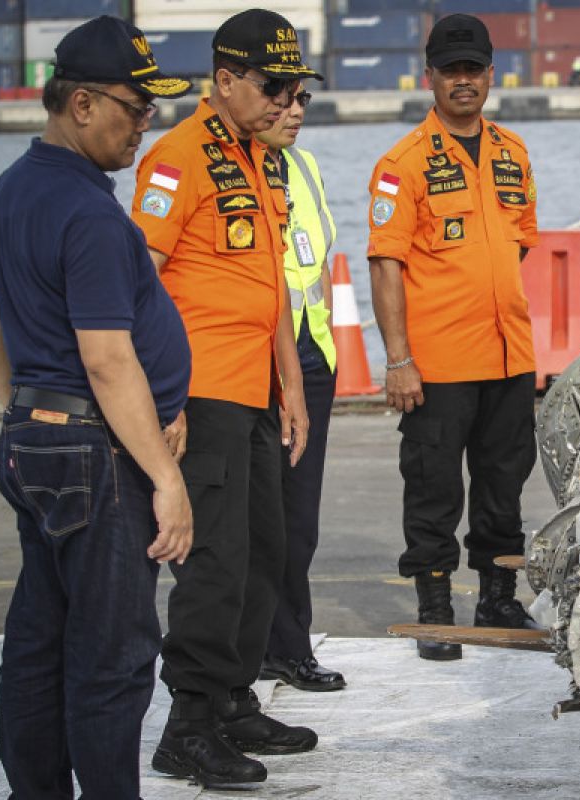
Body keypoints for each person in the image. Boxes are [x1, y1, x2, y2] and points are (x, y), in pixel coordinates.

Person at [0, 16, 193, 798]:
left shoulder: (12, 189)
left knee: (41, 636)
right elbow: (106, 358)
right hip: (97, 456)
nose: (146, 125)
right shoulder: (92, 213)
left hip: (39, 440)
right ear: (85, 104)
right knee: (114, 652)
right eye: (137, 108)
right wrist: (163, 476)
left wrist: (27, 411)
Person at [129, 9, 321, 787]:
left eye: (293, 87)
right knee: (215, 562)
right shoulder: (179, 157)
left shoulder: (260, 159)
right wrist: (160, 399)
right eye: (273, 86)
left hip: (254, 389)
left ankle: (236, 700)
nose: (285, 101)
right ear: (226, 80)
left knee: (263, 552)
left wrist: (293, 385)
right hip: (200, 391)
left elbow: (267, 281)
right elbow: (138, 281)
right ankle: (189, 723)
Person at [367, 13, 541, 662]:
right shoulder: (402, 165)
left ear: (491, 75)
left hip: (508, 355)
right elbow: (386, 265)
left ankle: (498, 596)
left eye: (473, 70)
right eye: (451, 71)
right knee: (434, 488)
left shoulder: (513, 153)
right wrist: (399, 360)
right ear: (430, 77)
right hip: (436, 364)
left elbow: (519, 244)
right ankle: (435, 608)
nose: (463, 81)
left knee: (503, 487)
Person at [255, 87, 346, 692]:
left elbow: (312, 269)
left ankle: (287, 647)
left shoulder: (304, 166)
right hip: (255, 365)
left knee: (298, 522)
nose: (295, 112)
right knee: (254, 521)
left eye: (303, 99)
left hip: (311, 360)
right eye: (283, 100)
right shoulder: (226, 168)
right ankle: (260, 648)